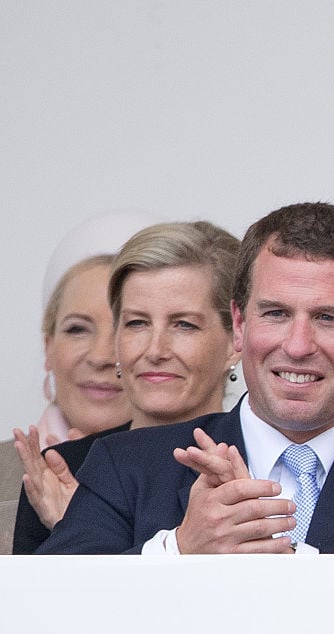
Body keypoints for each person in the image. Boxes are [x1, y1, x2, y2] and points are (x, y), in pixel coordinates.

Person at [37, 201, 334, 554]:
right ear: (239, 325)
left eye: (327, 318)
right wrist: (179, 549)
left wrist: (280, 561)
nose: (297, 345)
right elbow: (50, 626)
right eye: (275, 313)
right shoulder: (125, 466)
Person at [13, 221, 241, 553]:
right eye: (137, 323)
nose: (155, 350)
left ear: (236, 340)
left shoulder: (266, 456)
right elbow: (35, 603)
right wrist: (75, 532)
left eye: (184, 325)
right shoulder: (65, 468)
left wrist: (89, 526)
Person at [1, 210, 159, 554]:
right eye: (77, 329)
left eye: (128, 326)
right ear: (48, 346)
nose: (101, 356)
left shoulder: (212, 471)